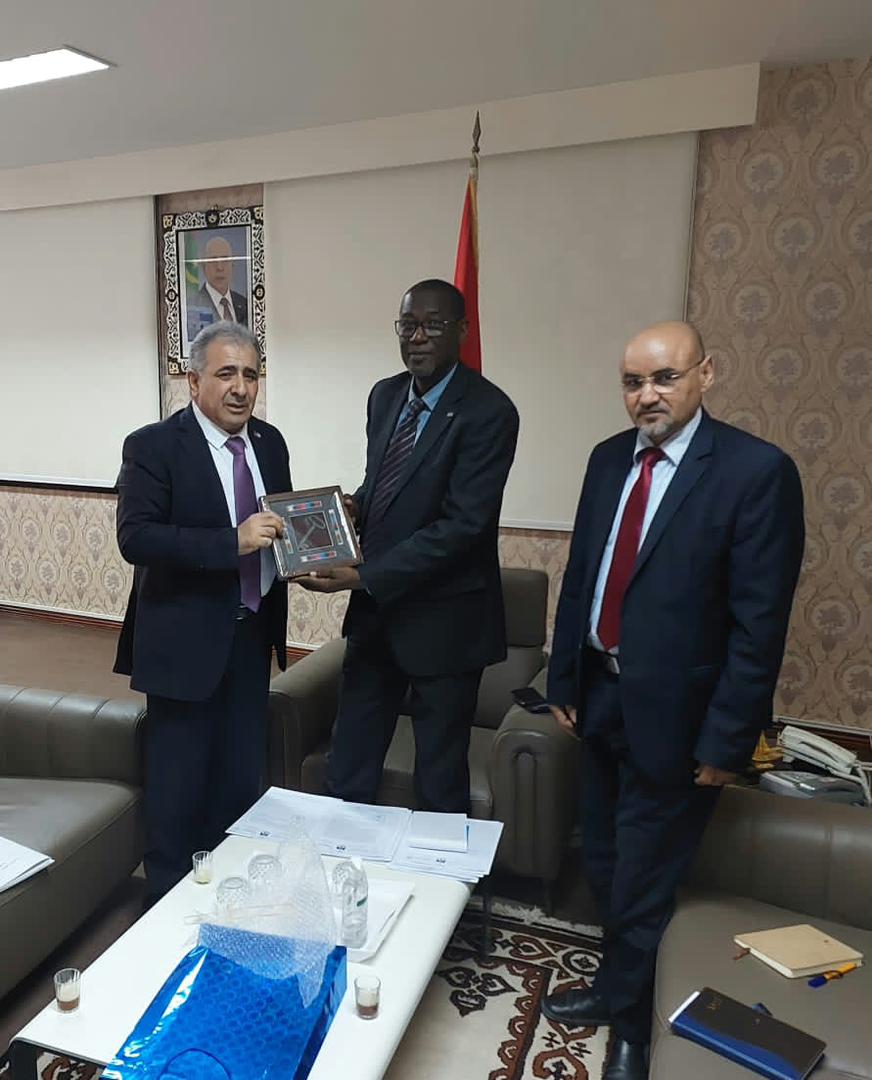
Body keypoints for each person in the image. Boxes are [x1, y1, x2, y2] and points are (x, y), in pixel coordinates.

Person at [541, 321, 804, 1080]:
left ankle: (633, 1028)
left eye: (664, 378)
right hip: (600, 699)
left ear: (705, 374)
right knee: (602, 858)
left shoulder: (756, 472)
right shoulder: (606, 460)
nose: (646, 396)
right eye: (633, 382)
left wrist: (728, 742)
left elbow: (759, 627)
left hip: (682, 723)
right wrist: (564, 681)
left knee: (645, 879)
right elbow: (583, 577)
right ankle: (612, 988)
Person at [297, 279, 519, 813]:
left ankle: (437, 871)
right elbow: (384, 484)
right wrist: (353, 508)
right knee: (348, 768)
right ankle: (343, 864)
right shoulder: (385, 395)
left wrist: (362, 576)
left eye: (433, 326)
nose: (417, 338)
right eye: (407, 325)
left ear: (462, 331)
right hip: (376, 619)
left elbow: (462, 527)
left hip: (445, 626)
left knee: (438, 783)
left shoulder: (489, 411)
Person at [114, 321, 290, 904]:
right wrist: (230, 542)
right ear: (193, 382)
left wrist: (306, 559)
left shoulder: (270, 443)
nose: (241, 387)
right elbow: (137, 537)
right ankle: (166, 912)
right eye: (226, 373)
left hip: (252, 636)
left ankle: (230, 899)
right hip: (183, 645)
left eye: (251, 375)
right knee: (178, 787)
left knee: (240, 781)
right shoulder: (153, 446)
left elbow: (282, 530)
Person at [187, 235, 249, 341]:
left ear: (232, 265)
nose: (220, 267)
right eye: (213, 261)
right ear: (204, 267)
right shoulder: (191, 306)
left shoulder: (245, 304)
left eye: (225, 260)